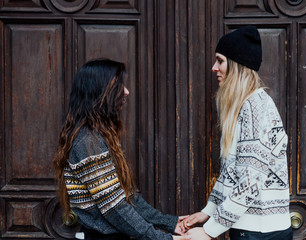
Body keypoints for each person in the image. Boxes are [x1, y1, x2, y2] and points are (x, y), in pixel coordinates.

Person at [53, 58, 190, 240]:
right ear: (100, 91)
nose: (126, 91)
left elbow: (128, 198)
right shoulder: (87, 141)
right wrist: (164, 238)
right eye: (119, 86)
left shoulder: (100, 136)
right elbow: (114, 207)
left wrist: (169, 223)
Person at [183, 25, 293, 240]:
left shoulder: (256, 107)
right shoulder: (245, 106)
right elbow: (232, 173)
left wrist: (208, 232)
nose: (214, 67)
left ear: (237, 65)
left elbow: (249, 184)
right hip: (254, 229)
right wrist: (208, 212)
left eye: (220, 60)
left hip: (261, 232)